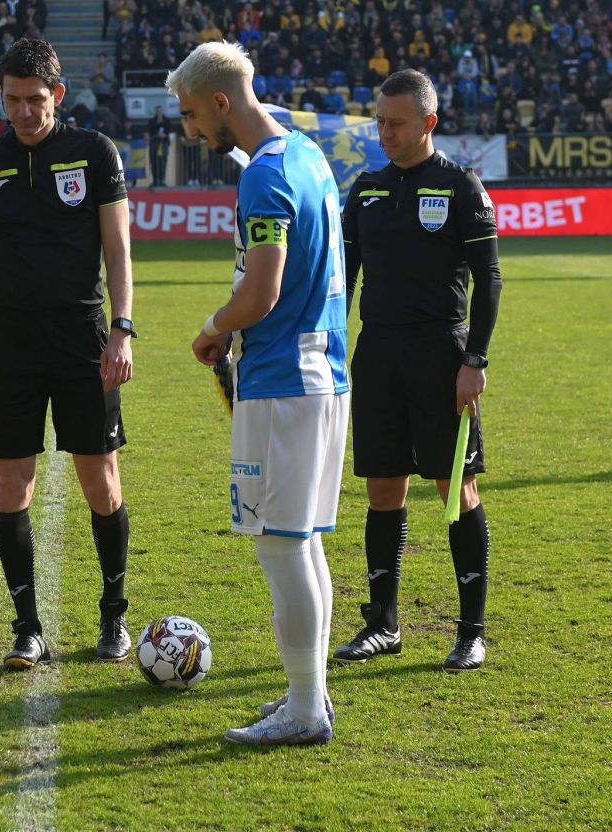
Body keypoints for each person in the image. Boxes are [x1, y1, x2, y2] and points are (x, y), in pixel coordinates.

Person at [0, 38, 136, 670]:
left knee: (99, 479)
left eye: (34, 100)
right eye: (12, 100)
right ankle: (28, 627)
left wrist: (123, 329)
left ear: (58, 96)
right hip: (12, 342)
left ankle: (113, 615)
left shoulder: (93, 153)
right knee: (11, 481)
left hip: (84, 338)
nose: (22, 112)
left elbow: (119, 248)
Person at [167, 41, 348, 746]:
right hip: (323, 373)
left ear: (221, 102)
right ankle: (310, 698)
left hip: (283, 382)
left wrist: (213, 327)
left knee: (281, 547)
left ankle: (306, 710)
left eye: (190, 115)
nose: (190, 131)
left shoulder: (264, 177)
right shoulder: (307, 155)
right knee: (302, 546)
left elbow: (263, 290)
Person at [338, 69, 501, 673]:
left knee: (455, 490)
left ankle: (471, 631)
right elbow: (344, 280)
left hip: (441, 355)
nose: (385, 132)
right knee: (383, 488)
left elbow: (489, 278)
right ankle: (383, 624)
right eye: (379, 121)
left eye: (396, 123)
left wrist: (474, 360)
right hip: (377, 353)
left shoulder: (460, 187)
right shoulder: (367, 189)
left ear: (429, 123)